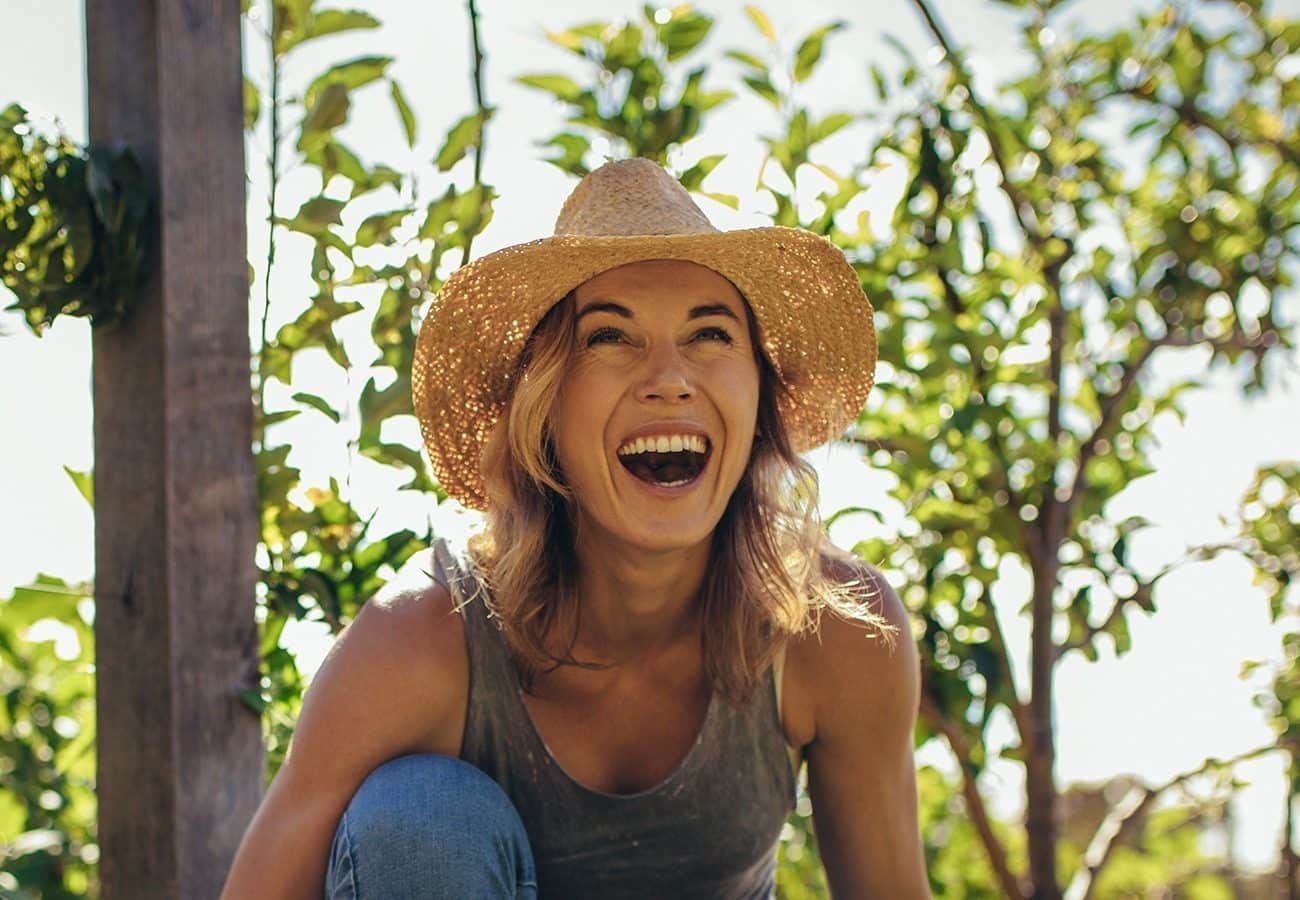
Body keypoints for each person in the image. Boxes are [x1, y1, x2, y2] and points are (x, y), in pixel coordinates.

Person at [222, 158, 929, 899]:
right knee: (422, 816)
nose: (669, 376)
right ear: (546, 411)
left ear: (761, 405)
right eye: (609, 338)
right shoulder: (421, 643)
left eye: (710, 335)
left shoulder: (839, 631)